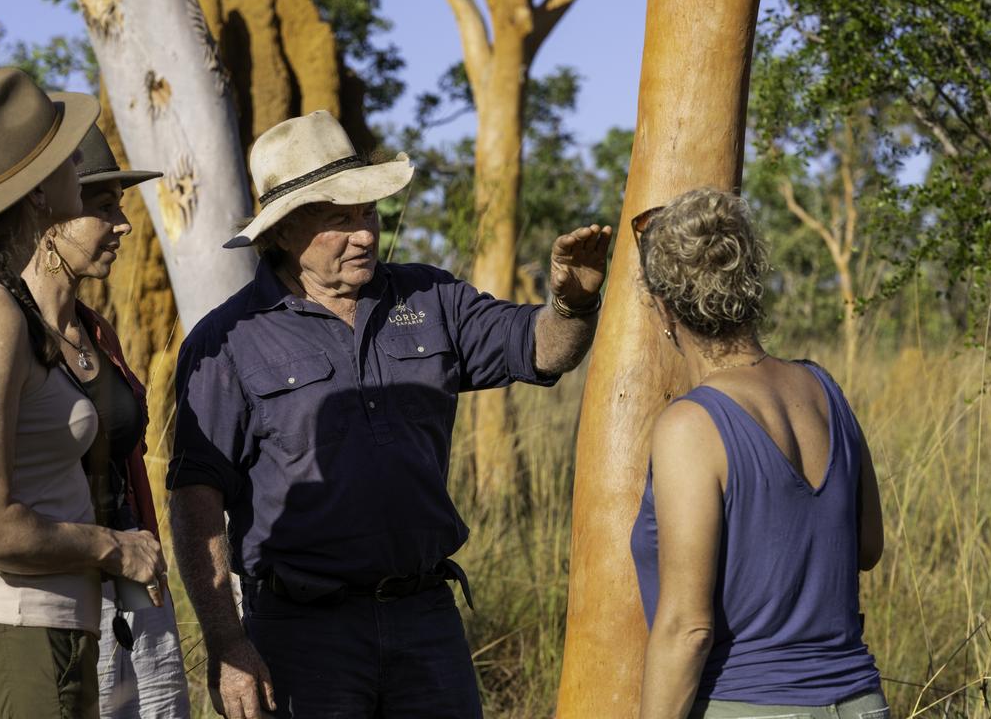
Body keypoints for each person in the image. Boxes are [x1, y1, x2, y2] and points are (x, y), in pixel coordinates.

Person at [167, 110, 612, 718]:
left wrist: (574, 300)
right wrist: (227, 641)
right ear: (284, 230)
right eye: (339, 219)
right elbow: (196, 507)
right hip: (300, 633)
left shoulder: (429, 297)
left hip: (425, 619)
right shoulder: (229, 341)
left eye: (369, 213)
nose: (366, 234)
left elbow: (543, 347)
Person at [0, 67, 165, 718]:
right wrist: (113, 546)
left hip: (25, 642)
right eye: (67, 156)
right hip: (5, 643)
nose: (81, 162)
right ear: (39, 191)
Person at [628, 188, 888, 719]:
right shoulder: (824, 389)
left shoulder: (690, 425)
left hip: (747, 703)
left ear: (664, 306)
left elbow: (688, 629)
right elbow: (866, 547)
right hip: (862, 702)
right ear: (751, 283)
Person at [22, 123, 192, 718]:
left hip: (133, 587)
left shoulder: (98, 333)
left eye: (120, 207)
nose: (122, 225)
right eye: (101, 207)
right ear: (51, 215)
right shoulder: (2, 331)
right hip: (52, 597)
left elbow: (128, 467)